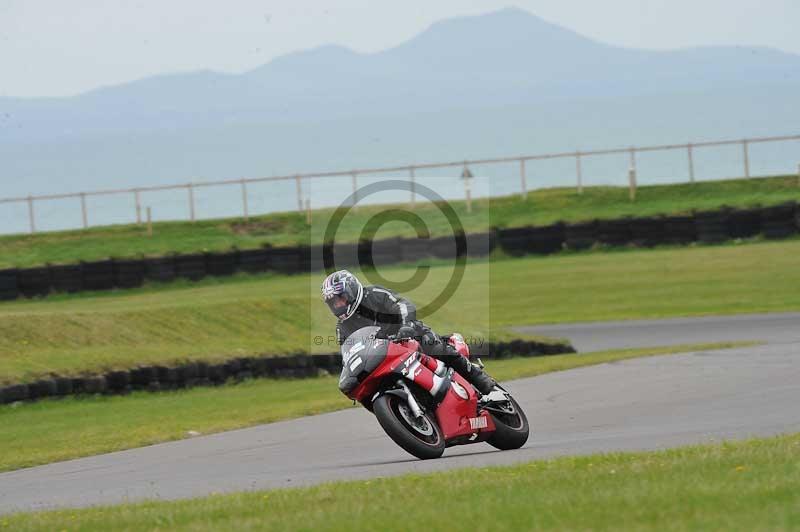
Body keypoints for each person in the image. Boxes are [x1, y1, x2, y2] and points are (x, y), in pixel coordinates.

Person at [321, 269, 496, 394]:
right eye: (333, 303)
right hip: (384, 356)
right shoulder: (342, 328)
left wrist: (405, 325)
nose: (338, 305)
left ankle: (480, 379)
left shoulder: (374, 294)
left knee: (435, 347)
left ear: (351, 290)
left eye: (340, 299)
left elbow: (402, 304)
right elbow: (349, 354)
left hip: (408, 334)